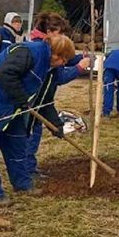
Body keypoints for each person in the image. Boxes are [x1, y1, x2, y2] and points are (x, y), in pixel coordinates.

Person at [0, 34, 79, 205]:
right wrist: (22, 99)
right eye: (64, 60)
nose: (65, 64)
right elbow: (5, 73)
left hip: (12, 107)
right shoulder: (30, 52)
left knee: (17, 143)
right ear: (56, 54)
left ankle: (22, 184)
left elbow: (45, 100)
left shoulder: (49, 69)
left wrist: (56, 125)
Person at [25, 12, 89, 180]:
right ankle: (26, 171)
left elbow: (62, 64)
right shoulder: (44, 51)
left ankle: (28, 169)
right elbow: (59, 76)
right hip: (34, 100)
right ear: (49, 31)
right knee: (30, 134)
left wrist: (77, 59)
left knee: (33, 132)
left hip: (41, 100)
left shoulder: (43, 46)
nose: (62, 36)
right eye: (59, 33)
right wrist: (79, 68)